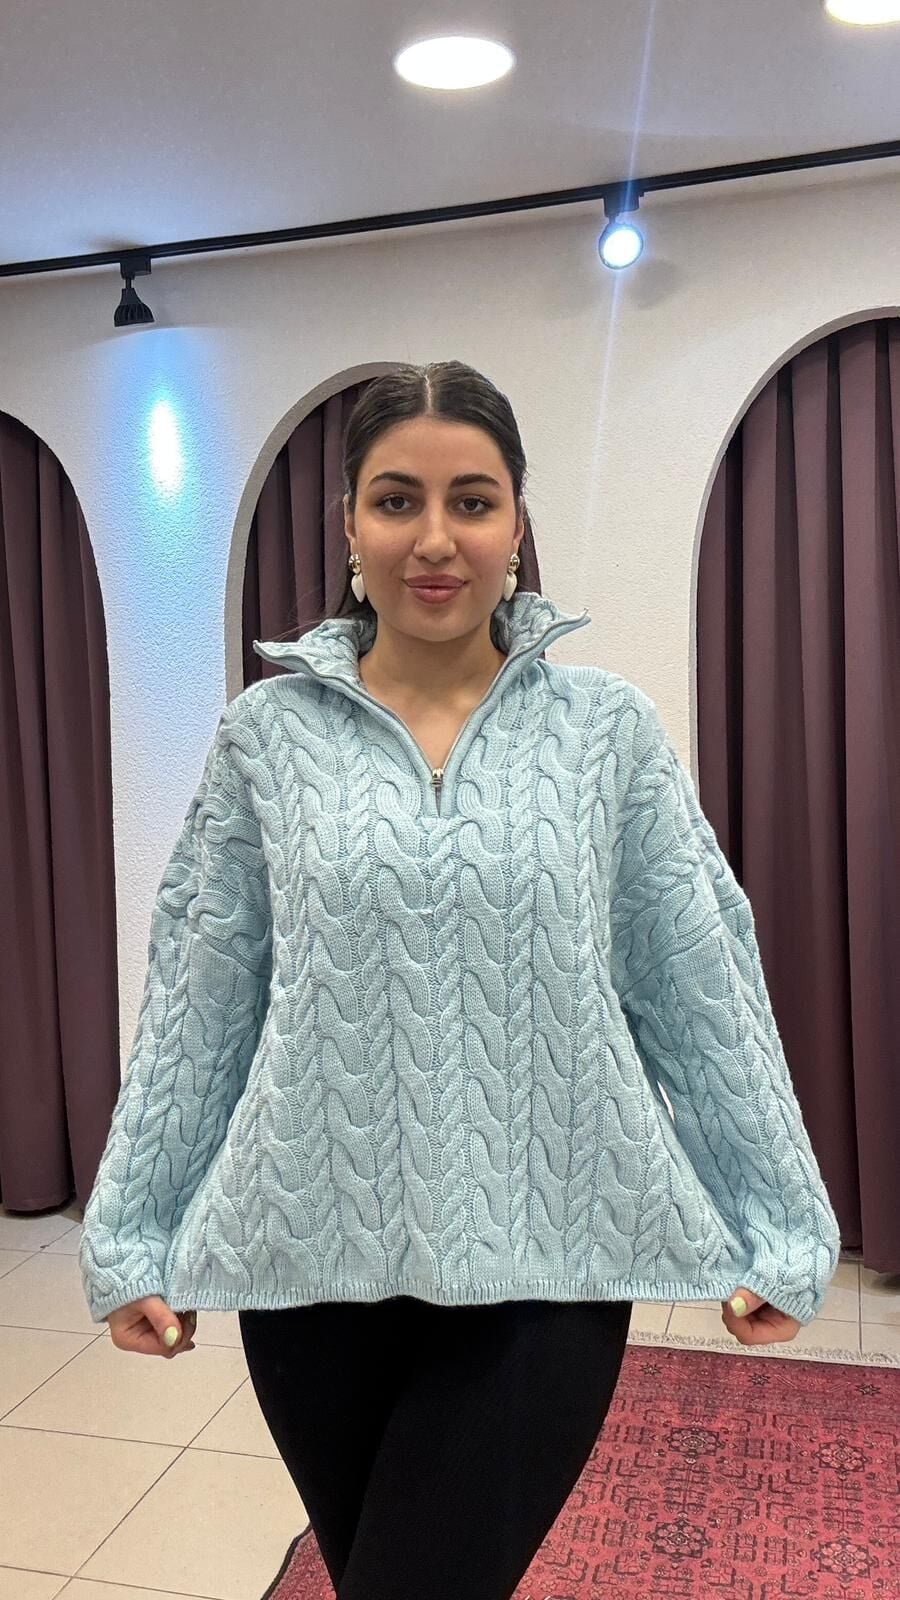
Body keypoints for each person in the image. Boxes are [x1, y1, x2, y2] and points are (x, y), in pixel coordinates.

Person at [80, 361, 841, 1600]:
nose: (434, 538)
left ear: (517, 522)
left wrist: (784, 1222)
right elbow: (199, 1002)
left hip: (549, 1265)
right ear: (349, 525)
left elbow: (700, 987)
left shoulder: (606, 733)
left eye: (472, 501)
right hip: (310, 1269)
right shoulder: (266, 738)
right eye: (397, 500)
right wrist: (131, 1233)